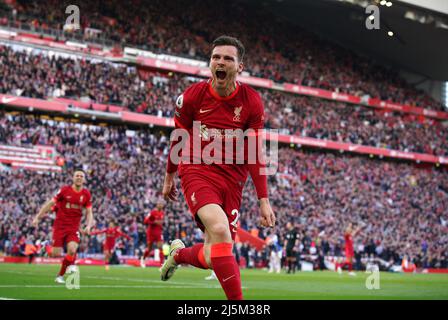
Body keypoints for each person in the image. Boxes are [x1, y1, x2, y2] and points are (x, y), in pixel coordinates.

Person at [160, 35, 276, 300]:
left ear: (239, 67)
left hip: (233, 182)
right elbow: (179, 139)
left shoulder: (251, 101)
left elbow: (254, 152)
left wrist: (263, 200)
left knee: (217, 254)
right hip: (197, 170)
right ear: (210, 63)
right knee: (221, 231)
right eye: (216, 57)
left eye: (227, 58)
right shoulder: (192, 97)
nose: (220, 62)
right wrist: (169, 177)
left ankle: (178, 254)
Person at [32, 169, 94, 284]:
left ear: (84, 179)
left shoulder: (86, 194)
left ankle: (60, 276)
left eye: (81, 176)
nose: (79, 177)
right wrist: (37, 217)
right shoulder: (64, 190)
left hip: (73, 227)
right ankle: (46, 247)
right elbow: (50, 203)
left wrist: (89, 226)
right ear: (73, 178)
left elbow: (89, 212)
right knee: (56, 254)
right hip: (60, 226)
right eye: (77, 176)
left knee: (72, 250)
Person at [141, 201, 165, 268]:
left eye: (161, 204)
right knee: (149, 249)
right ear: (157, 205)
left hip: (158, 233)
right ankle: (143, 259)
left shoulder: (162, 213)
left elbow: (160, 222)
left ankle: (161, 265)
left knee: (160, 247)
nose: (161, 205)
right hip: (151, 232)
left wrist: (161, 225)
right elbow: (145, 221)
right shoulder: (152, 212)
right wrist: (154, 222)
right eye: (159, 204)